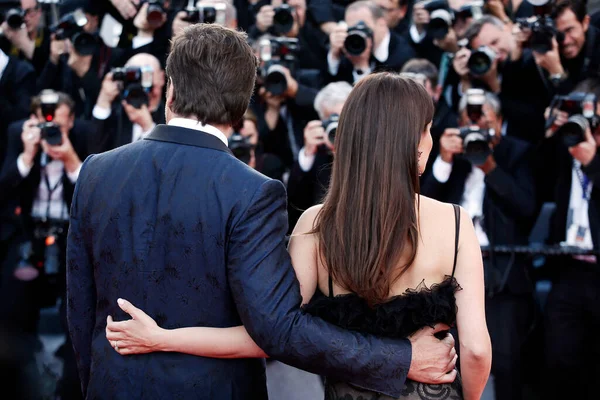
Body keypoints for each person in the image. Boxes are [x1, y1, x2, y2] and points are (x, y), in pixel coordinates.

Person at [66, 24, 460, 399]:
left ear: (170, 92)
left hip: (112, 386)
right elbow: (278, 328)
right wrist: (400, 357)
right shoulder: (252, 191)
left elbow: (80, 311)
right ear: (242, 105)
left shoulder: (96, 171)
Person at [421, 90, 536, 400]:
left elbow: (526, 208)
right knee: (451, 353)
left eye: (483, 120)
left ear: (499, 122)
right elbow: (422, 204)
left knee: (506, 359)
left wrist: (489, 166)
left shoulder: (517, 152)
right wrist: (444, 159)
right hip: (449, 270)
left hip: (501, 269)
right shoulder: (452, 157)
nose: (476, 129)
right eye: (469, 121)